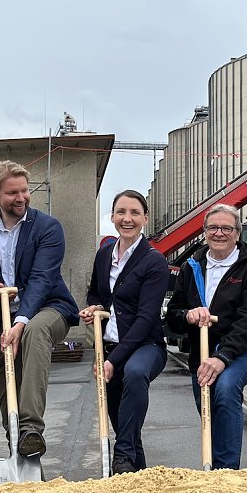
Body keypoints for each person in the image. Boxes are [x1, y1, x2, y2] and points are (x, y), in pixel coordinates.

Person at [0, 160, 79, 459]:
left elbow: (42, 280)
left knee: (34, 330)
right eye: (12, 193)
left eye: (25, 191)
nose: (21, 198)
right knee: (9, 398)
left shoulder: (47, 227)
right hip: (0, 320)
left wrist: (19, 321)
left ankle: (32, 427)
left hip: (48, 308)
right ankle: (25, 463)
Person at [165, 204, 247, 470]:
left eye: (226, 228)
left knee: (224, 389)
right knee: (207, 405)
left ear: (237, 233)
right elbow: (173, 315)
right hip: (201, 352)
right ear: (204, 232)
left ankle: (226, 473)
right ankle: (211, 468)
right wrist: (188, 315)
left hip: (242, 350)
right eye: (213, 227)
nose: (219, 233)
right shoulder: (191, 267)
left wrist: (222, 357)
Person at [79, 190, 169, 474]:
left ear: (145, 218)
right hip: (108, 347)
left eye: (133, 213)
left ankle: (124, 455)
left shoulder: (154, 261)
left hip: (146, 346)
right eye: (121, 212)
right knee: (124, 424)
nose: (126, 219)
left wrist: (113, 360)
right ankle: (137, 477)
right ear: (112, 216)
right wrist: (93, 308)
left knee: (134, 373)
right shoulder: (104, 254)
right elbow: (96, 293)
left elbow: (145, 319)